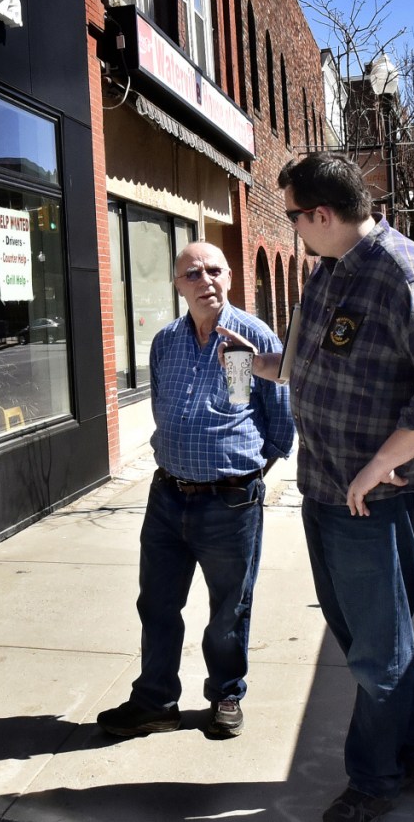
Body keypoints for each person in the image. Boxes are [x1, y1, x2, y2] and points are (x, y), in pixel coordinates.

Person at [222, 153, 414, 822]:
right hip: (328, 487)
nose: (293, 228)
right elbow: (311, 367)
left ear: (323, 214)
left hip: (379, 496)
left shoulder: (402, 271)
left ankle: (374, 778)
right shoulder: (329, 270)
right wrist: (249, 363)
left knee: (377, 647)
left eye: (293, 216)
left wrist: (380, 463)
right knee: (366, 634)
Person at [97, 242, 294, 741]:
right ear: (178, 284)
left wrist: (245, 473)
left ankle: (226, 694)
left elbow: (276, 419)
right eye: (192, 273)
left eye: (213, 270)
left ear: (228, 276)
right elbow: (165, 406)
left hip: (230, 501)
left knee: (229, 607)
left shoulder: (247, 338)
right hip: (167, 497)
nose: (204, 279)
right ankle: (155, 701)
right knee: (157, 604)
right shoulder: (165, 341)